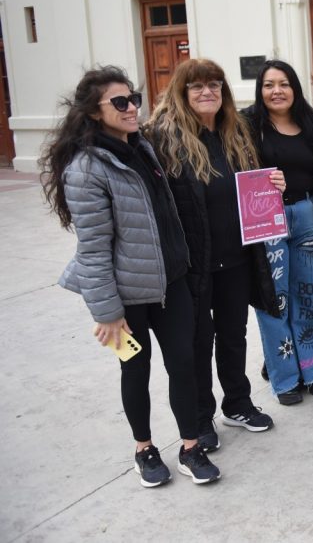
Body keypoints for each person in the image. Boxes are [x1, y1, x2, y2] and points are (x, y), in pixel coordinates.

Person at [42, 66, 220, 487]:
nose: (131, 108)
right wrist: (106, 313)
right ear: (93, 112)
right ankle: (144, 449)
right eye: (119, 102)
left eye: (133, 99)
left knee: (184, 364)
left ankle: (190, 447)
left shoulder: (142, 148)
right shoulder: (86, 169)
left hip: (171, 284)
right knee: (134, 370)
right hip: (125, 300)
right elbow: (93, 249)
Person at [146, 58, 278, 453]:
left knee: (234, 335)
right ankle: (201, 418)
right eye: (197, 86)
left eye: (214, 84)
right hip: (193, 263)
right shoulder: (164, 139)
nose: (207, 92)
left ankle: (237, 403)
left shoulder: (235, 133)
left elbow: (252, 189)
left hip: (236, 256)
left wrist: (274, 184)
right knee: (198, 342)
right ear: (182, 92)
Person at [244, 60, 313, 405]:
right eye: (269, 85)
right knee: (274, 299)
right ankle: (284, 378)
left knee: (312, 294)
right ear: (260, 90)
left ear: (295, 88)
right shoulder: (245, 126)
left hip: (307, 214)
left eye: (283, 84)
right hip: (265, 219)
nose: (277, 91)